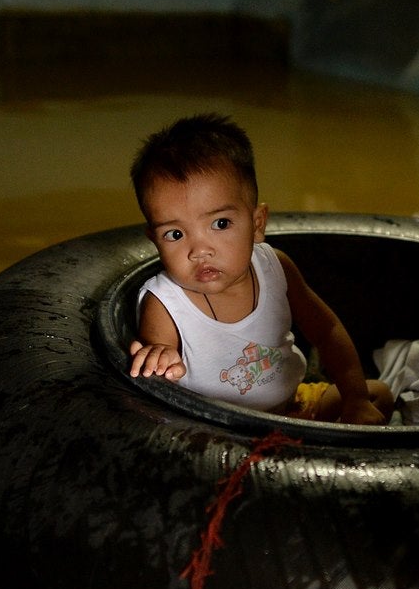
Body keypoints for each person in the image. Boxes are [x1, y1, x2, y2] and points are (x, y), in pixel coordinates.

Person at [127, 112, 394, 425]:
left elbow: (327, 330)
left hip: (291, 407)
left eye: (220, 224)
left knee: (379, 395)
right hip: (220, 430)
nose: (200, 250)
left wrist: (355, 398)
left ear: (257, 224)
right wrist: (161, 357)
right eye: (175, 234)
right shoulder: (164, 302)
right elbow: (160, 361)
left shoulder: (274, 267)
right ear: (154, 240)